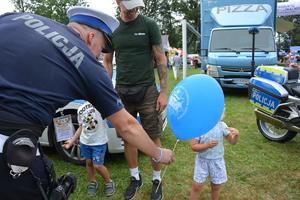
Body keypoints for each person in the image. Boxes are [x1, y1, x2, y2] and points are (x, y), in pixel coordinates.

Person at [0, 6, 174, 200]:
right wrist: (158, 153)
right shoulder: (85, 62)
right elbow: (127, 126)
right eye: (101, 50)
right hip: (10, 143)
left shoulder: (19, 17)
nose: (99, 56)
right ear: (91, 37)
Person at [103, 1, 168, 199]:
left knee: (152, 134)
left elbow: (160, 58)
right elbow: (107, 61)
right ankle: (135, 178)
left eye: (136, 7)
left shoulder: (149, 25)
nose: (133, 11)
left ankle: (157, 180)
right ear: (118, 2)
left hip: (147, 90)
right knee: (128, 137)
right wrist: (108, 90)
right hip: (122, 91)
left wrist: (163, 91)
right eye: (129, 6)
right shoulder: (112, 29)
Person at [63, 102, 115, 197]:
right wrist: (72, 140)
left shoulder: (102, 105)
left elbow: (113, 117)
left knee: (98, 165)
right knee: (89, 163)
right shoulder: (81, 109)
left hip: (99, 142)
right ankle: (92, 182)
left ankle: (108, 182)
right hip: (85, 142)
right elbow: (81, 127)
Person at [189, 118, 239, 200]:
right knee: (197, 186)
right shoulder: (199, 127)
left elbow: (232, 142)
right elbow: (194, 146)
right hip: (202, 161)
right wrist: (207, 145)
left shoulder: (222, 125)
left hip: (217, 161)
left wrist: (236, 135)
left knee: (216, 187)